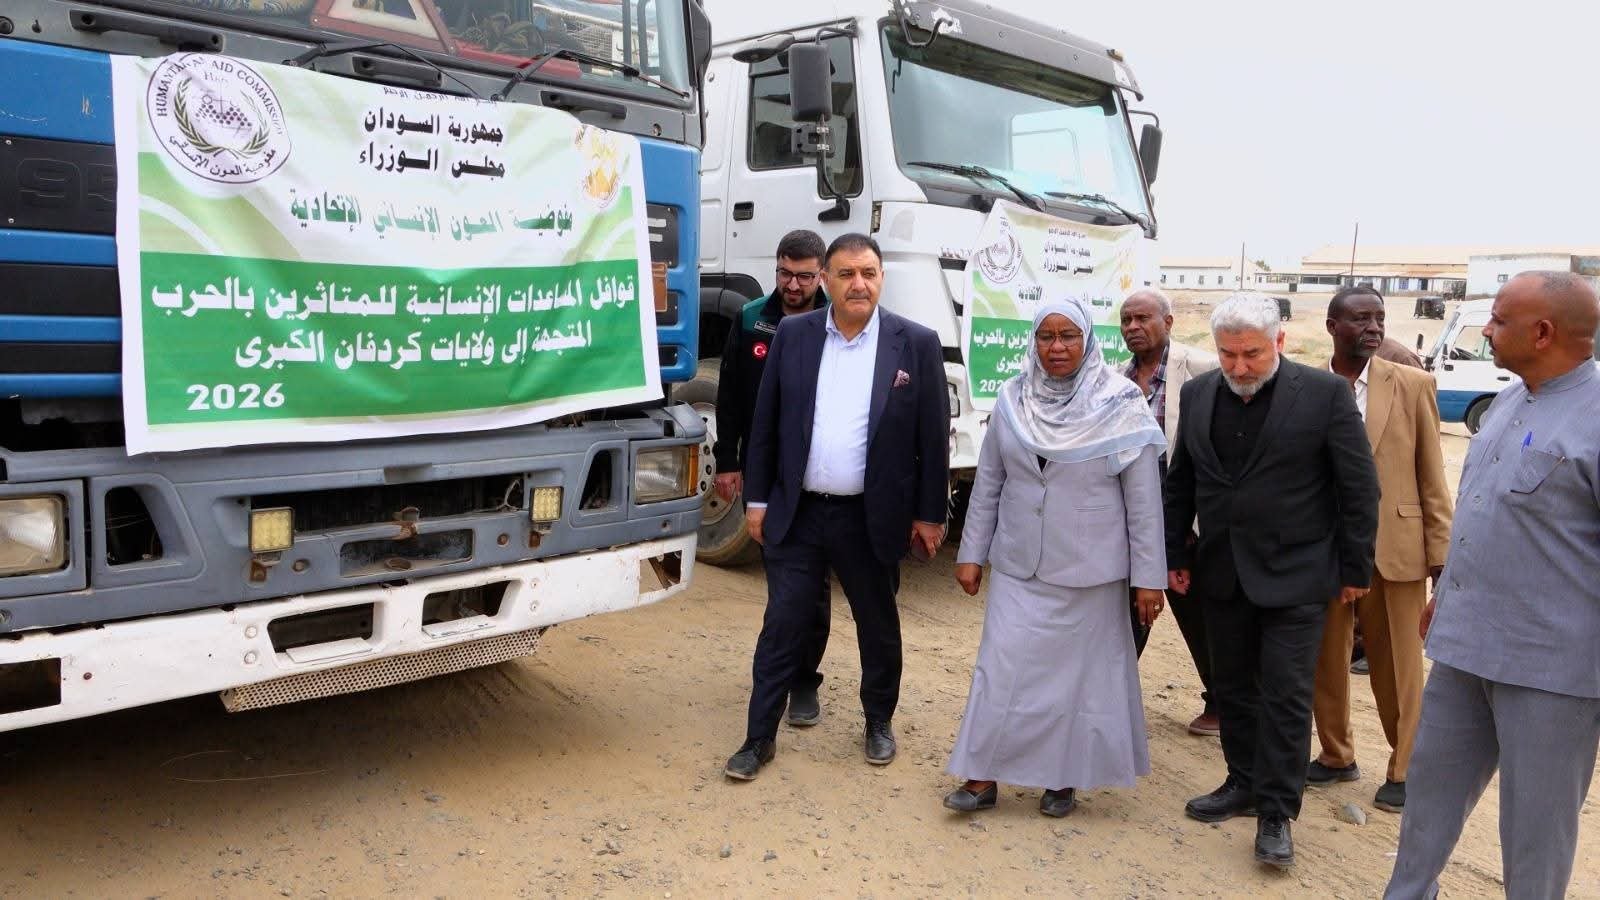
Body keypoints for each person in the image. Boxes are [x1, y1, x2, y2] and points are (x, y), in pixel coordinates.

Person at [1386, 272, 1600, 900]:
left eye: (1500, 320)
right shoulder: (1508, 400)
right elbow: (1486, 511)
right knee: (1427, 802)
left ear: (1543, 332)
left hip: (1551, 671)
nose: (1486, 329)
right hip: (1463, 645)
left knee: (1534, 832)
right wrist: (1445, 596)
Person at [724, 233, 950, 780]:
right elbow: (767, 424)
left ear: (881, 278)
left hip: (870, 517)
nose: (859, 284)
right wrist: (757, 499)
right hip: (798, 513)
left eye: (869, 273)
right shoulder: (795, 335)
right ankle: (759, 738)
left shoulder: (914, 343)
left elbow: (933, 437)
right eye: (846, 274)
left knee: (877, 625)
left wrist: (929, 515)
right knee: (783, 625)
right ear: (826, 279)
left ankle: (878, 721)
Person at [1164, 293, 1379, 868]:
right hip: (1223, 571)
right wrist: (1173, 554)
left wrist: (1355, 568)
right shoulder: (1198, 393)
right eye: (1228, 354)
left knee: (1285, 695)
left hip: (1298, 575)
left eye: (1252, 354)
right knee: (1232, 686)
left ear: (1279, 342)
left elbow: (1358, 489)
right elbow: (1181, 481)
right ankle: (1243, 781)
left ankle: (1277, 812)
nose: (1238, 367)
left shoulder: (1325, 395)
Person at [941, 299, 1166, 817]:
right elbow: (991, 481)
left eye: (1068, 336)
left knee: (1072, 683)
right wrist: (971, 552)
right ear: (1032, 342)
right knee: (1000, 668)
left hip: (1089, 570)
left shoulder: (1119, 401)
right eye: (1046, 336)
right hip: (1020, 562)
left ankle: (1061, 779)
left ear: (1088, 341)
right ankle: (981, 776)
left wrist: (1148, 579)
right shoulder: (1012, 398)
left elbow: (1144, 502)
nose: (1057, 347)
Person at [1309, 286, 1453, 814]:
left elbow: (1432, 477)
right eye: (1360, 319)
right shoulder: (1309, 386)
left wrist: (1441, 554)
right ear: (1332, 326)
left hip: (1396, 548)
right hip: (1325, 550)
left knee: (1398, 664)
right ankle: (1335, 754)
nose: (1373, 328)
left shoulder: (1412, 384)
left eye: (1379, 318)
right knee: (1326, 658)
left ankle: (1406, 767)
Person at [712, 229, 831, 727]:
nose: (793, 284)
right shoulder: (751, 318)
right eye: (785, 273)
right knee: (784, 587)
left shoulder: (838, 323)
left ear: (821, 273)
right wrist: (728, 461)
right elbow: (732, 395)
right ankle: (777, 682)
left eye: (804, 276)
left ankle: (805, 681)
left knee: (816, 589)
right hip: (768, 476)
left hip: (821, 475)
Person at [1120, 288, 1223, 737]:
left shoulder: (1203, 368)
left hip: (1190, 522)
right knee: (1128, 614)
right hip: (1134, 520)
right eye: (1126, 320)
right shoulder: (1115, 379)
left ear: (1169, 322)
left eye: (1143, 318)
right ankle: (1109, 699)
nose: (1133, 328)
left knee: (1201, 618)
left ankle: (1221, 703)